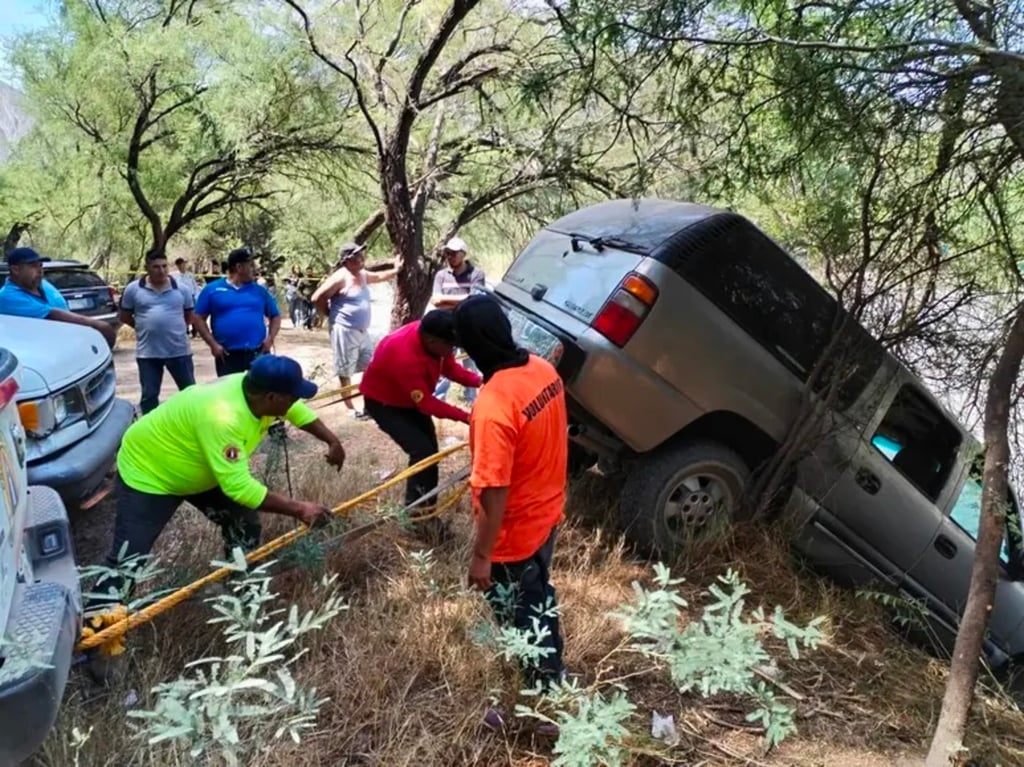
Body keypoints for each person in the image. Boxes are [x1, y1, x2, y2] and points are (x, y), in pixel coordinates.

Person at [91, 355, 343, 604]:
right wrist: (300, 509)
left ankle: (243, 590)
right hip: (149, 472)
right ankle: (98, 630)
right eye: (293, 396)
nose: (296, 401)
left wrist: (332, 440)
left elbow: (297, 411)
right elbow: (240, 488)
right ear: (272, 398)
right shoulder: (224, 416)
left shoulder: (257, 391)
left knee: (244, 524)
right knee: (128, 560)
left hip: (199, 464)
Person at [453, 294, 568, 728]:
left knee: (524, 617)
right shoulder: (542, 368)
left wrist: (482, 555)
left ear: (469, 346)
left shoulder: (493, 404)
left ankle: (544, 710)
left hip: (515, 535)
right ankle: (549, 681)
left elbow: (494, 489)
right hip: (547, 514)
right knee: (537, 599)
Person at [359, 311, 481, 510]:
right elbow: (427, 404)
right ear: (432, 341)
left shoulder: (435, 335)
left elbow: (450, 369)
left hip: (409, 400)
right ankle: (417, 514)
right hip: (384, 404)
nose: (453, 349)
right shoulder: (402, 354)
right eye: (451, 346)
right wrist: (467, 417)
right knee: (423, 452)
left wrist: (480, 381)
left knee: (431, 452)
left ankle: (425, 507)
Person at [312, 242, 399, 419]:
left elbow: (380, 276)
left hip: (362, 331)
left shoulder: (362, 274)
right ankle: (350, 408)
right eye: (357, 255)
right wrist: (330, 315)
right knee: (345, 371)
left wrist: (397, 269)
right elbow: (317, 298)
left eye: (362, 255)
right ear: (347, 259)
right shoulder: (340, 277)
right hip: (344, 330)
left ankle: (370, 404)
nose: (362, 258)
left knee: (370, 366)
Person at [119, 250, 199, 414]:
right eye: (156, 267)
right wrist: (143, 327)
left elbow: (189, 315)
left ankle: (191, 428)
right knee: (149, 397)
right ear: (147, 267)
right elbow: (125, 316)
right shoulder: (133, 290)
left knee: (190, 393)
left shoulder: (181, 290)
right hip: (148, 354)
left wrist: (174, 329)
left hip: (179, 351)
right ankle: (149, 433)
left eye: (164, 266)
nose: (161, 271)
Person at [0, 246, 116, 346]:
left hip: (63, 347)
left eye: (40, 265)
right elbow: (53, 314)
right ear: (16, 269)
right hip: (40, 356)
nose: (40, 270)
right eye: (33, 266)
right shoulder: (7, 297)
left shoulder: (43, 284)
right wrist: (100, 326)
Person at [194, 248, 281, 376]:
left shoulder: (259, 291)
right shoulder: (212, 289)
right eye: (250, 265)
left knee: (258, 392)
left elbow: (275, 316)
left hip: (257, 353)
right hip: (227, 355)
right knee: (229, 393)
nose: (254, 269)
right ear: (239, 267)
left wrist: (270, 339)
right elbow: (198, 318)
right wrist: (213, 344)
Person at [431, 237, 486, 406]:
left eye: (453, 253)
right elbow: (435, 300)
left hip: (468, 325)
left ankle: (472, 401)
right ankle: (438, 399)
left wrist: (445, 300)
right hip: (446, 326)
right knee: (442, 362)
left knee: (470, 363)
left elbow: (474, 298)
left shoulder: (476, 274)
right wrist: (462, 298)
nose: (450, 256)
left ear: (463, 254)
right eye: (447, 253)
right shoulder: (441, 275)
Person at [173, 257, 200, 338]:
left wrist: (196, 295)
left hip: (191, 296)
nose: (183, 266)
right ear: (178, 266)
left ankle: (195, 330)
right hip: (180, 297)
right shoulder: (175, 276)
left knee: (194, 313)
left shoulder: (190, 275)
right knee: (182, 314)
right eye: (180, 264)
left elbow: (194, 286)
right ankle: (185, 330)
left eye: (183, 264)